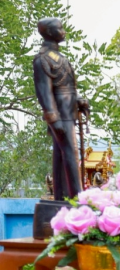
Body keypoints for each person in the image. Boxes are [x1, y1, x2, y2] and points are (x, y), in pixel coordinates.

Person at [32, 17, 89, 200]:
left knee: (60, 156)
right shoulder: (42, 60)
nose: (64, 31)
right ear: (49, 33)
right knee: (71, 154)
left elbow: (65, 86)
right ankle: (77, 200)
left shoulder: (60, 58)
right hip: (59, 116)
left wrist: (79, 100)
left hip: (68, 112)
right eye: (60, 28)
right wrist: (52, 117)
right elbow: (44, 92)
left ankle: (60, 198)